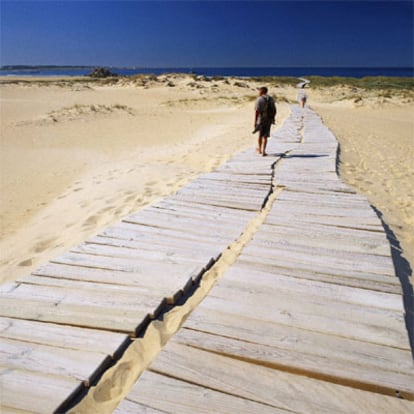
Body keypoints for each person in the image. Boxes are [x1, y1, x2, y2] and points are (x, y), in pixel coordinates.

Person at [254, 87, 276, 156]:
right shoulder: (271, 99)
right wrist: (273, 118)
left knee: (260, 135)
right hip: (269, 119)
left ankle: (259, 150)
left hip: (261, 119)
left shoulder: (259, 99)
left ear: (261, 91)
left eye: (259, 91)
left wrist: (255, 121)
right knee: (265, 136)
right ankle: (264, 151)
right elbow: (274, 110)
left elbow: (257, 112)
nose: (258, 92)